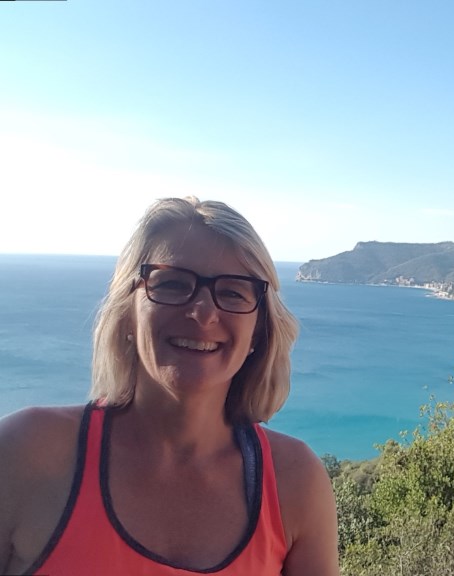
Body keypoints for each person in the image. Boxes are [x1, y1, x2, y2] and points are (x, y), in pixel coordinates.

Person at [0, 197, 339, 575]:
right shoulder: (25, 452)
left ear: (258, 330)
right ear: (128, 312)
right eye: (173, 284)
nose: (203, 313)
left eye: (232, 292)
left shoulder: (294, 481)